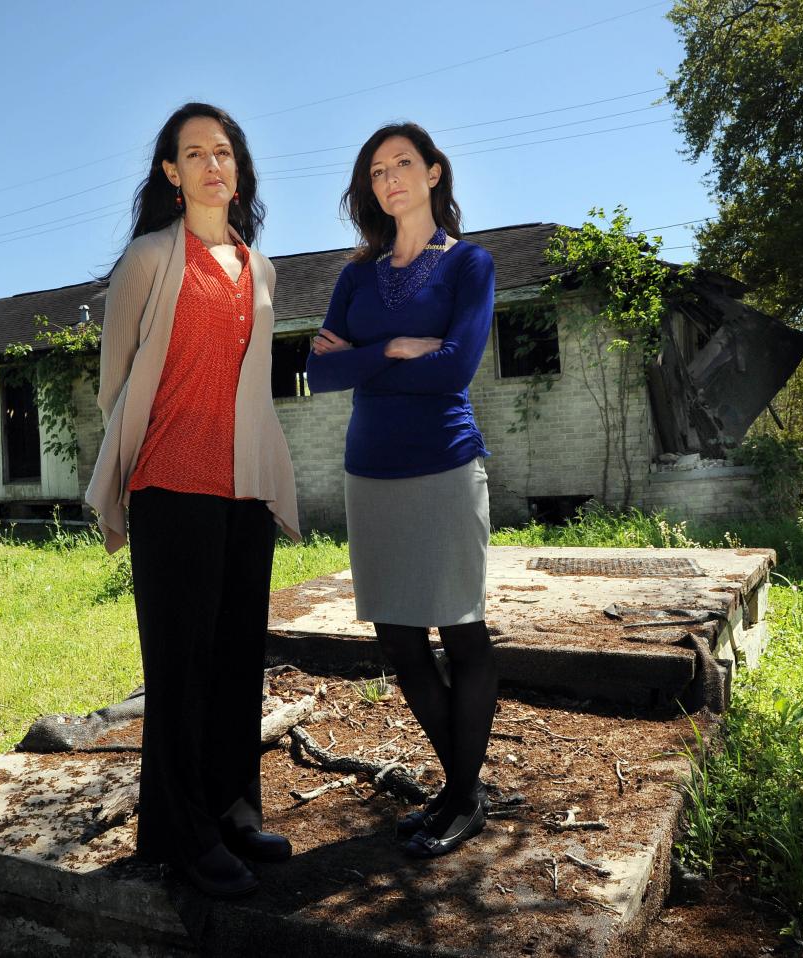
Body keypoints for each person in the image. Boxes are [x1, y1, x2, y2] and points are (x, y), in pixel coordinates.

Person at [85, 102, 300, 898]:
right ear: (172, 174)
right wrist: (142, 458)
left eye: (225, 152)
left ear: (238, 171)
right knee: (180, 666)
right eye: (195, 153)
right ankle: (182, 836)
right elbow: (116, 382)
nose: (214, 164)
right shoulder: (147, 259)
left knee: (241, 655)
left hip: (242, 489)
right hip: (171, 485)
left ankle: (233, 809)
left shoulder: (260, 268)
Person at [305, 122, 497, 857]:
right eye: (377, 170)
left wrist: (361, 358)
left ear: (435, 173)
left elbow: (455, 368)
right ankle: (463, 791)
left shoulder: (470, 265)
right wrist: (389, 347)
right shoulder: (356, 276)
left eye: (403, 164)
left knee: (461, 627)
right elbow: (319, 374)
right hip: (370, 470)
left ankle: (460, 796)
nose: (390, 179)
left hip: (445, 465)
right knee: (399, 637)